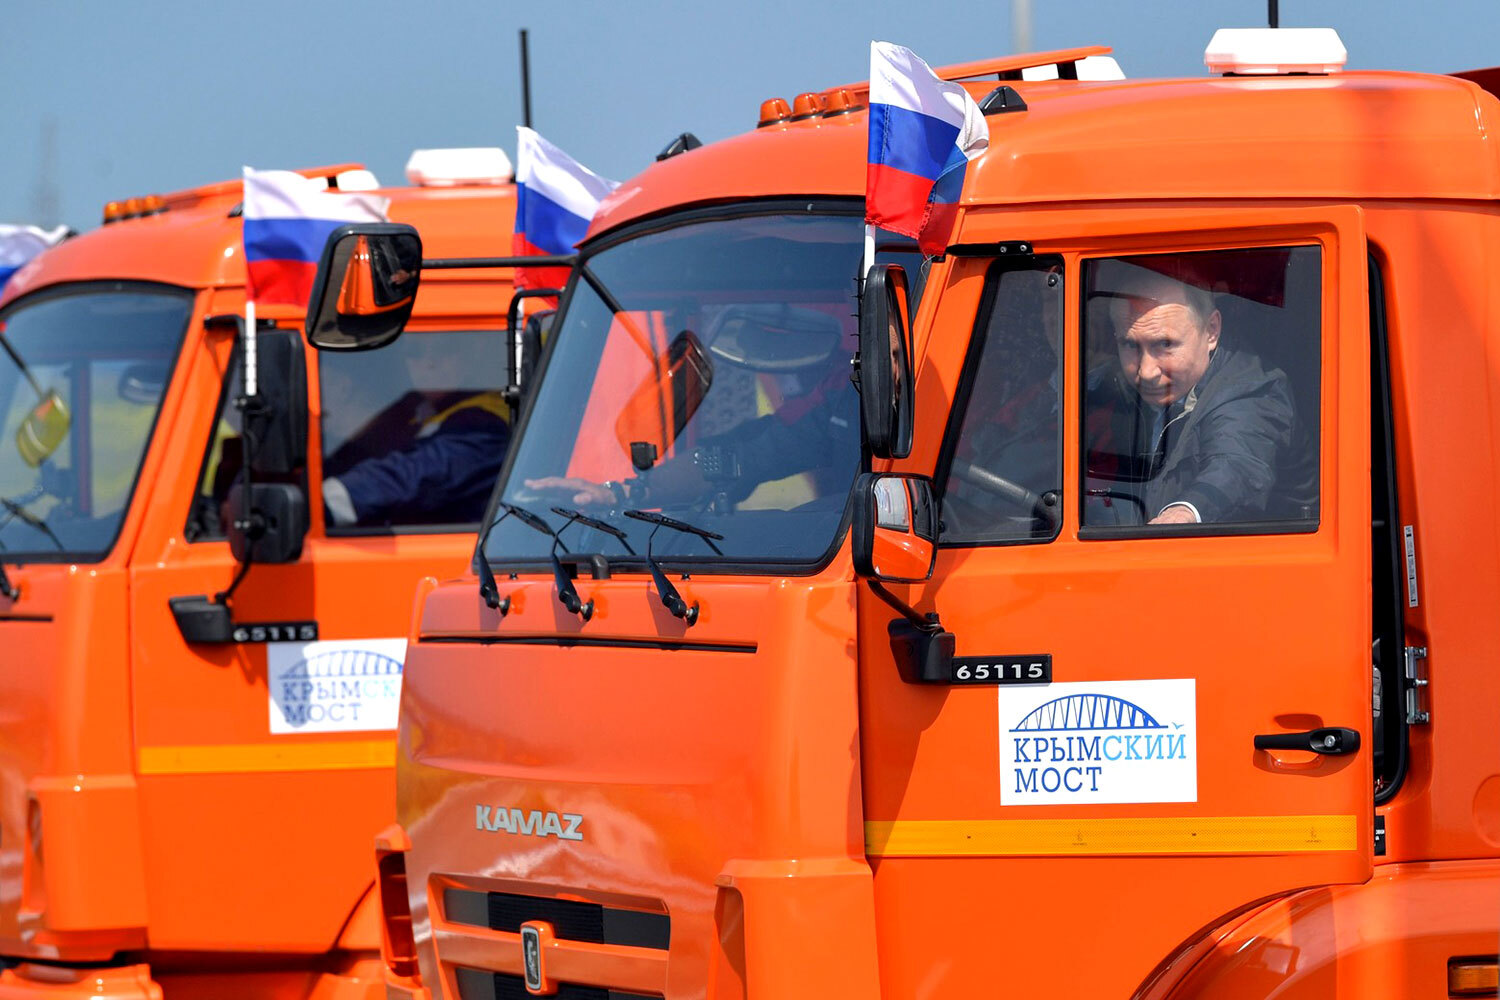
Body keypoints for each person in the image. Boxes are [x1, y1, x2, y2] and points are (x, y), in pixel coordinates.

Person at [1084, 268, 1316, 525]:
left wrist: (1186, 512)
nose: (1146, 371)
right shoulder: (1103, 384)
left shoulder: (1252, 392)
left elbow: (1237, 466)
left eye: (1165, 344)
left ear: (1211, 331)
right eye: (1130, 344)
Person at [322, 336, 510, 527]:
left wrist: (333, 499)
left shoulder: (485, 424)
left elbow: (421, 474)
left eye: (446, 348)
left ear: (474, 352)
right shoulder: (417, 407)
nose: (428, 363)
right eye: (414, 351)